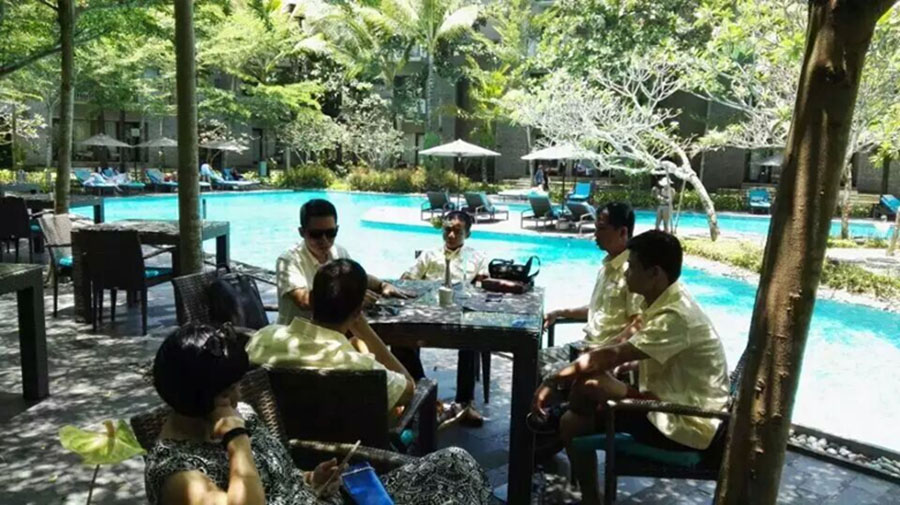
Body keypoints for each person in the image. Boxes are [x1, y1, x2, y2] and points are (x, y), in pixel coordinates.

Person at [145, 323, 494, 505]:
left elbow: (275, 476)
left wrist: (311, 478)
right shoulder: (179, 474)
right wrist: (238, 442)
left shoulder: (233, 413)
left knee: (456, 464)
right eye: (227, 392)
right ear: (194, 397)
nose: (237, 398)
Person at [531, 231, 730, 505]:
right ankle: (587, 489)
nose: (626, 273)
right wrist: (608, 363)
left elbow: (613, 355)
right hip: (661, 403)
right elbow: (625, 347)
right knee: (574, 415)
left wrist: (553, 380)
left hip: (683, 421)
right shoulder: (666, 298)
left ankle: (556, 421)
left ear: (655, 273)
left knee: (587, 390)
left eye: (633, 267)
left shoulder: (676, 316)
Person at [249, 259, 415, 415]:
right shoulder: (360, 368)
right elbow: (408, 391)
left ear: (311, 299)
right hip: (350, 436)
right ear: (357, 312)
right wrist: (365, 331)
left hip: (278, 432)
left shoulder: (263, 339)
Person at [398, 210, 489, 427]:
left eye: (457, 231)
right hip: (427, 313)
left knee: (471, 337)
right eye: (447, 230)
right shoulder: (429, 255)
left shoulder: (477, 258)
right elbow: (406, 279)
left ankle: (465, 402)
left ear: (468, 233)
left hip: (459, 314)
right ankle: (421, 394)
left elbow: (483, 287)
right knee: (400, 338)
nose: (451, 235)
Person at [275, 198, 407, 325]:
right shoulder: (289, 260)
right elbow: (303, 300)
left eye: (330, 233)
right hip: (295, 334)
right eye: (316, 234)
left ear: (337, 229)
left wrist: (382, 285)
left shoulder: (338, 252)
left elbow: (357, 278)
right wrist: (352, 299)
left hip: (330, 333)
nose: (324, 240)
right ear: (302, 232)